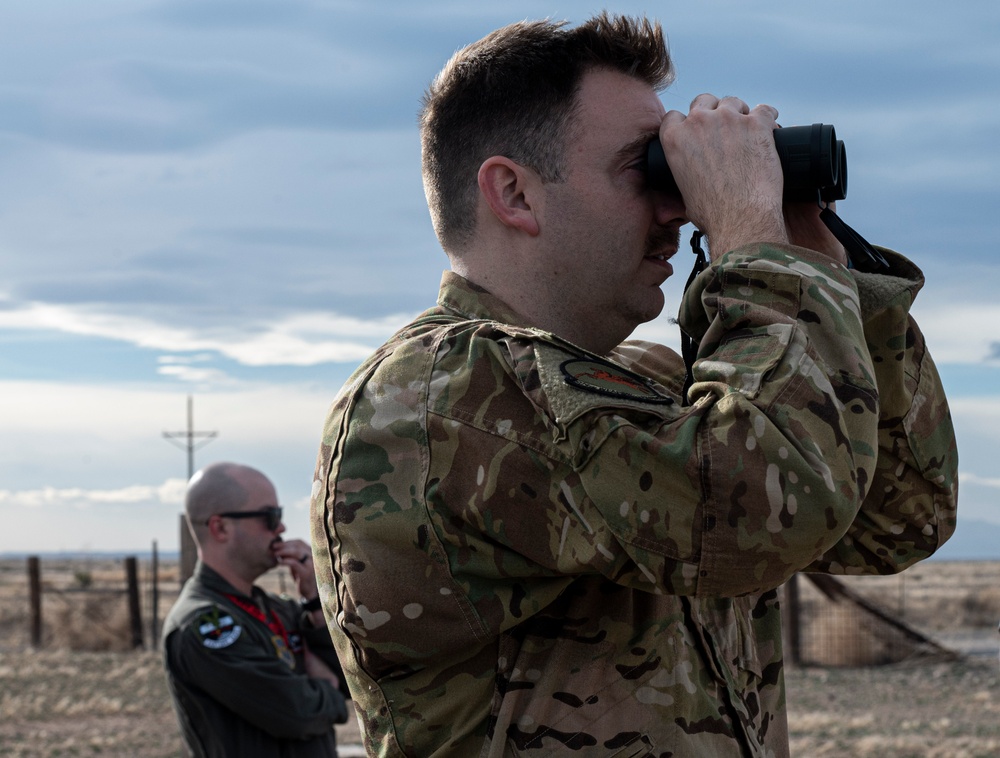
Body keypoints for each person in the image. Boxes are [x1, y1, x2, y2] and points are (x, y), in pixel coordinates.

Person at [309, 13, 958, 757]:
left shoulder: (648, 388)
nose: (679, 209)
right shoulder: (438, 399)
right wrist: (752, 241)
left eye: (677, 172)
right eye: (643, 169)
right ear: (515, 194)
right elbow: (763, 502)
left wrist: (821, 267)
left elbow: (898, 519)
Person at [163, 462, 350, 757]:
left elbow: (351, 679)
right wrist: (328, 688)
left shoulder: (279, 609)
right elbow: (296, 714)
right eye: (270, 517)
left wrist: (315, 599)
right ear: (220, 527)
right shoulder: (205, 625)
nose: (281, 528)